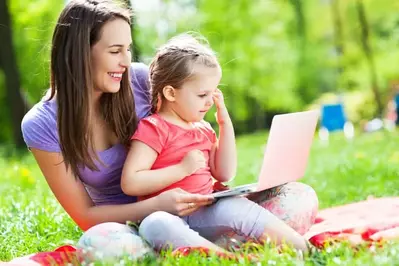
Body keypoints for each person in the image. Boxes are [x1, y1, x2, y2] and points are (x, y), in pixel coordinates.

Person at [20, 0, 318, 259]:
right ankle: (219, 252)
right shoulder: (42, 124)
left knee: (298, 198)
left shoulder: (137, 79)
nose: (126, 61)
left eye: (128, 49)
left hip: (194, 209)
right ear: (80, 53)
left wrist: (212, 177)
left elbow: (185, 128)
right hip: (130, 227)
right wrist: (157, 205)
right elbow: (86, 217)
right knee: (100, 246)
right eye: (114, 51)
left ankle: (197, 251)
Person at [121, 34, 311, 253]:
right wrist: (181, 169)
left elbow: (224, 173)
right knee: (156, 225)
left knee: (237, 207)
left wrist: (224, 124)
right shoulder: (154, 128)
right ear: (171, 93)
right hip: (170, 217)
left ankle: (303, 248)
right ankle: (223, 257)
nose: (210, 101)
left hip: (207, 213)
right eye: (202, 94)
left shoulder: (202, 129)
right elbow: (131, 182)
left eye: (214, 92)